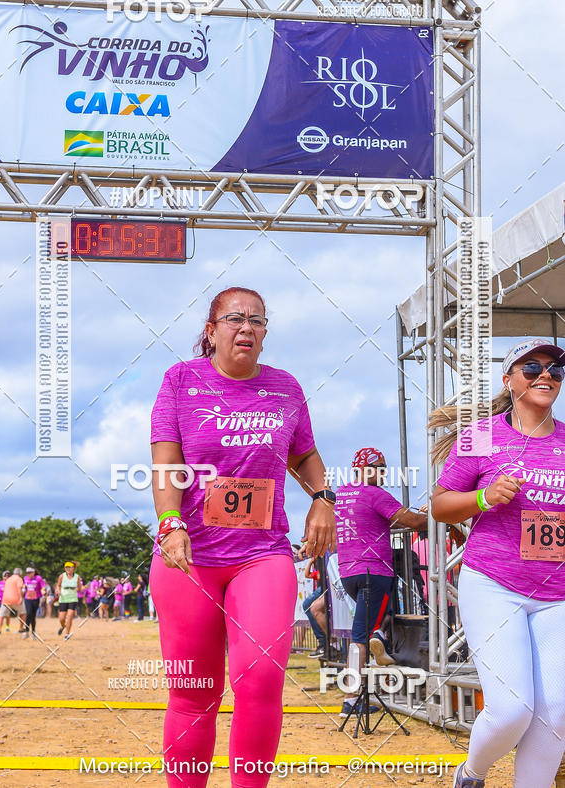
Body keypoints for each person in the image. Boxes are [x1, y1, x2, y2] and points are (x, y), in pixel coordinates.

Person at [149, 286, 335, 787]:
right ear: (211, 331)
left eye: (258, 320)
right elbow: (166, 463)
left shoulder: (285, 388)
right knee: (194, 690)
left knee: (261, 679)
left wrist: (324, 498)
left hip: (262, 553)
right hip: (189, 556)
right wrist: (171, 524)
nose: (247, 327)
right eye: (235, 318)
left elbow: (304, 455)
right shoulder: (181, 380)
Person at [430, 339, 565, 788]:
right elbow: (441, 505)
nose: (545, 375)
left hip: (557, 594)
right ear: (509, 380)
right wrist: (484, 497)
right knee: (511, 710)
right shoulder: (482, 436)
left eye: (554, 371)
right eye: (532, 368)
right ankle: (471, 773)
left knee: (556, 714)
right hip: (494, 583)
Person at [335, 447, 427, 716]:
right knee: (360, 637)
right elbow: (409, 520)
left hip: (348, 572)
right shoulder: (376, 494)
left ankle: (380, 637)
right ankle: (351, 699)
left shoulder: (343, 494)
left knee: (371, 622)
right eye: (380, 468)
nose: (384, 474)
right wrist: (435, 515)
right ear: (367, 469)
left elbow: (378, 522)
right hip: (373, 572)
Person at [301, 557, 326, 657]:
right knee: (308, 606)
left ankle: (324, 641)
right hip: (322, 586)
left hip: (325, 587)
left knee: (308, 605)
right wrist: (311, 562)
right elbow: (306, 575)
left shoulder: (322, 569)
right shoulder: (319, 571)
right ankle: (323, 642)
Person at [55, 562, 81, 639]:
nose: (68, 569)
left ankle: (67, 634)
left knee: (69, 616)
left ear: (73, 568)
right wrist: (58, 591)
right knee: (61, 618)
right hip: (63, 599)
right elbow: (58, 585)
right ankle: (63, 626)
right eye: (66, 567)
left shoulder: (77, 577)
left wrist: (83, 588)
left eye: (69, 567)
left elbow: (80, 587)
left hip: (72, 599)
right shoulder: (62, 576)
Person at [22, 566, 44, 639]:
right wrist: (23, 588)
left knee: (33, 616)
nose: (28, 574)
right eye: (27, 573)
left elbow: (43, 587)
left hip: (36, 599)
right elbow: (24, 586)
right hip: (27, 599)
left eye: (30, 573)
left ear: (33, 572)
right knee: (28, 614)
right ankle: (26, 631)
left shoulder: (38, 578)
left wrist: (43, 591)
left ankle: (33, 632)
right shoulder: (25, 578)